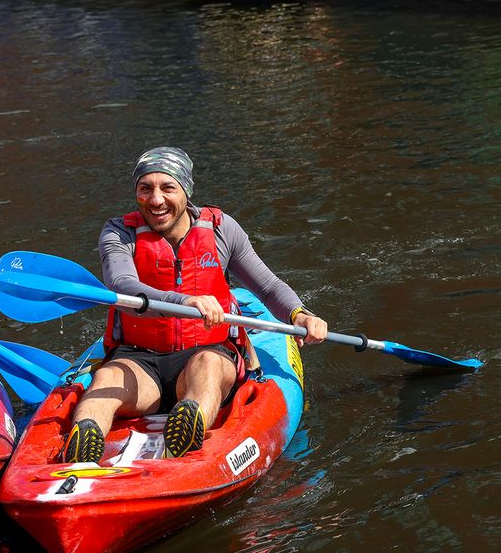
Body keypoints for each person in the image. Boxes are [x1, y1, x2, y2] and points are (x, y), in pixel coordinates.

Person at [62, 146, 329, 463]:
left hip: (208, 352)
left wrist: (300, 314)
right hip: (140, 359)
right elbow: (123, 286)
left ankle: (189, 427)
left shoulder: (220, 230)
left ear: (186, 191)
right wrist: (185, 300)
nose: (156, 200)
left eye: (167, 188)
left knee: (208, 368)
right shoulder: (119, 233)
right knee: (107, 380)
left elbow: (268, 287)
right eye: (145, 188)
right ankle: (84, 443)